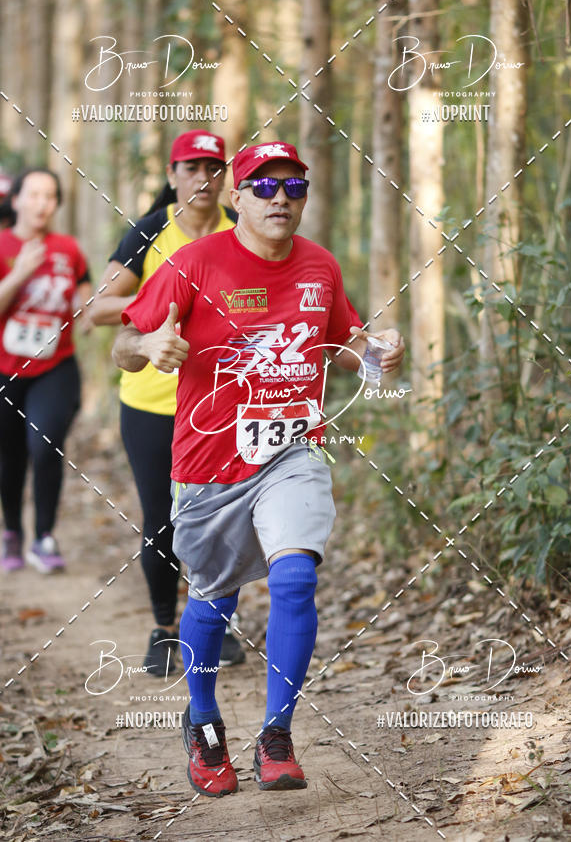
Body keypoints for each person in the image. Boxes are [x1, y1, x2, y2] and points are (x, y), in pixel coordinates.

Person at [112, 140, 405, 795]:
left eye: (293, 187)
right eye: (265, 187)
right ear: (236, 197)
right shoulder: (192, 263)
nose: (281, 198)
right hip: (209, 461)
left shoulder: (320, 267)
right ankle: (204, 722)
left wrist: (381, 353)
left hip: (291, 452)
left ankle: (277, 734)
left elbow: (348, 347)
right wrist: (149, 343)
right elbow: (123, 343)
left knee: (295, 577)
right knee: (213, 599)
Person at [90, 130, 245, 678]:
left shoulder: (241, 227)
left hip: (224, 401)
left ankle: (216, 620)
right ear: (172, 174)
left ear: (224, 176)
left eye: (213, 167)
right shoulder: (149, 231)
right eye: (191, 167)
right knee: (162, 519)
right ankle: (164, 627)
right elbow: (98, 309)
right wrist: (167, 294)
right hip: (151, 402)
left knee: (222, 515)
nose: (203, 177)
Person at [0, 168, 91, 573]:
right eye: (33, 195)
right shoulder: (3, 245)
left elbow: (85, 289)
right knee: (10, 455)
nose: (41, 204)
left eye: (50, 196)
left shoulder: (68, 248)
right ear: (16, 199)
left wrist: (87, 309)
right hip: (5, 369)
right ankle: (12, 532)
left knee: (45, 444)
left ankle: (44, 537)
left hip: (55, 365)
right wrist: (20, 272)